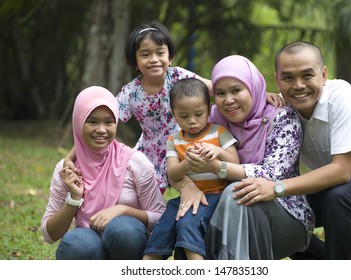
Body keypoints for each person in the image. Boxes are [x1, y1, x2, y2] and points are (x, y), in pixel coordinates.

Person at [63, 21, 282, 194]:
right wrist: (71, 156)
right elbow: (103, 120)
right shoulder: (130, 93)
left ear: (170, 56)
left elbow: (217, 88)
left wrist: (260, 94)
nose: (154, 60)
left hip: (185, 144)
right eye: (145, 54)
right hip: (149, 152)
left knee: (199, 188)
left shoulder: (178, 76)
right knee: (143, 195)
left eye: (160, 52)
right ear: (134, 61)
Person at [245, 41, 351, 260]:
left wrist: (276, 187)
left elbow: (341, 172)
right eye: (288, 78)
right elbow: (223, 96)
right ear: (277, 80)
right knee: (280, 211)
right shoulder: (280, 110)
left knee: (339, 197)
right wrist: (255, 99)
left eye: (307, 75)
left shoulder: (343, 98)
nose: (298, 85)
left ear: (323, 75)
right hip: (338, 184)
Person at [171, 55, 314, 260]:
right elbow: (173, 160)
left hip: (285, 213)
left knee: (236, 192)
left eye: (237, 90)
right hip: (222, 208)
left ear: (253, 88)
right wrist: (187, 186)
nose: (228, 100)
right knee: (189, 215)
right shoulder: (210, 120)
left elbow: (270, 174)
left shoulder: (282, 117)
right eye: (220, 93)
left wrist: (218, 166)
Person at [40, 86, 166, 260]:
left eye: (108, 122)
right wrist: (73, 200)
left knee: (123, 231)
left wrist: (122, 210)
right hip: (88, 246)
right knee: (78, 245)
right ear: (78, 122)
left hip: (129, 251)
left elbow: (160, 217)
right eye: (92, 121)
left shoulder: (135, 162)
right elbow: (49, 234)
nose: (101, 129)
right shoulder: (67, 169)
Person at [143, 78, 240, 260]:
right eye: (184, 116)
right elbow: (172, 173)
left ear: (209, 108)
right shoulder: (174, 140)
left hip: (215, 196)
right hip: (185, 197)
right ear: (173, 113)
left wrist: (218, 151)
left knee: (188, 224)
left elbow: (235, 162)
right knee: (163, 227)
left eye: (198, 114)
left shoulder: (219, 133)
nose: (192, 121)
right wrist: (186, 164)